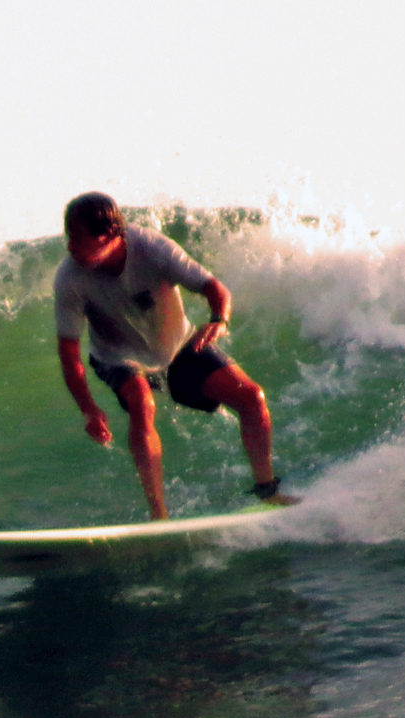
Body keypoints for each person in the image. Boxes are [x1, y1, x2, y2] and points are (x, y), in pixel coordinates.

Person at [54, 192, 297, 520]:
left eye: (80, 239)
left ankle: (268, 492)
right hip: (117, 356)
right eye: (69, 237)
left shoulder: (152, 248)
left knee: (252, 397)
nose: (71, 248)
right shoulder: (70, 277)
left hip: (177, 346)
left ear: (111, 234)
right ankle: (159, 517)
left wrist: (218, 320)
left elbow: (214, 288)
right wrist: (89, 410)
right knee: (142, 404)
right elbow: (69, 354)